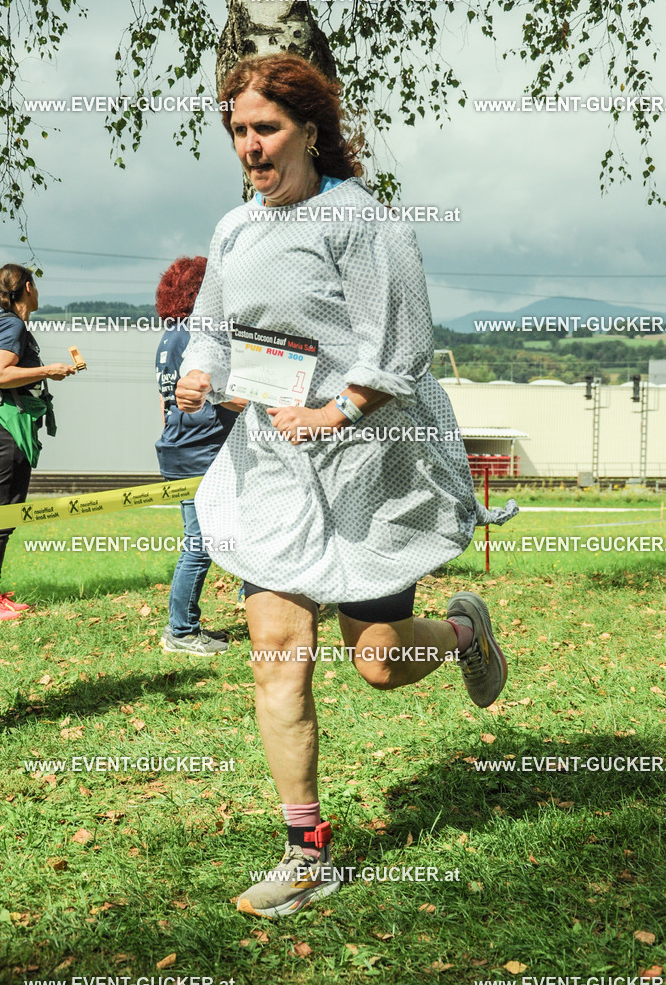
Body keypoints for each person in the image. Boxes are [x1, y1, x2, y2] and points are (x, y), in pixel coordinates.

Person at [175, 53, 518, 918]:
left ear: (311, 131)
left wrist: (341, 409)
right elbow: (214, 323)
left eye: (267, 129)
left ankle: (459, 632)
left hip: (368, 465)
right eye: (239, 131)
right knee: (277, 666)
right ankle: (307, 851)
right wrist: (199, 369)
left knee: (374, 662)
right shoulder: (234, 228)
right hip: (276, 473)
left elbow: (400, 341)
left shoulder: (360, 221)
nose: (251, 146)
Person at [154, 256, 238, 655]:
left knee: (226, 531)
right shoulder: (198, 336)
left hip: (178, 447)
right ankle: (181, 630)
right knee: (200, 543)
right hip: (201, 451)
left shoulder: (169, 336)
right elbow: (231, 397)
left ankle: (252, 597)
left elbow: (164, 401)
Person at [0, 264, 76, 621]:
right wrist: (48, 370)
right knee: (3, 514)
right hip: (6, 432)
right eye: (36, 285)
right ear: (28, 287)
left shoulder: (6, 324)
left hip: (5, 429)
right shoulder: (12, 324)